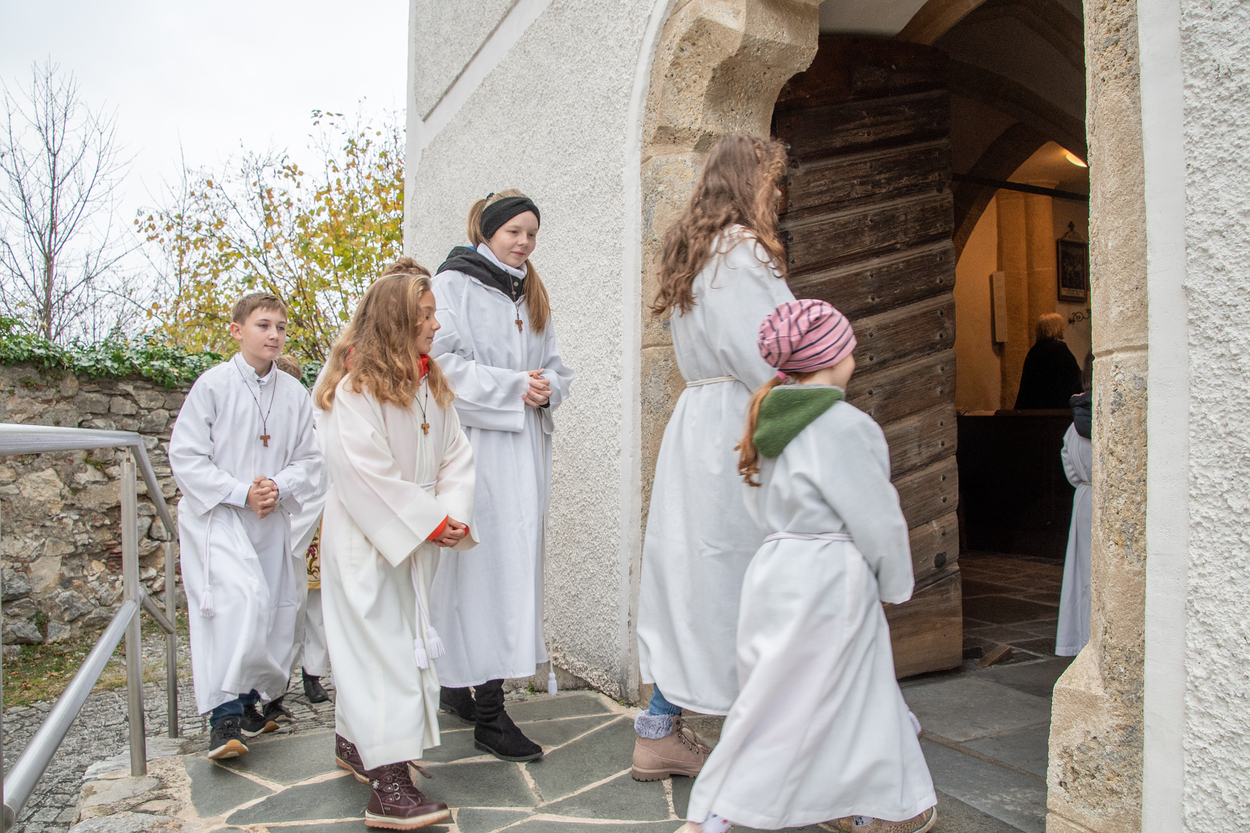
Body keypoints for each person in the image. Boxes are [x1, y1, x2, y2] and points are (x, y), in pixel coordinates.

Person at [679, 299, 937, 833]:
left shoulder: (765, 420)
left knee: (815, 692)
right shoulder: (845, 425)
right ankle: (718, 815)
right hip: (829, 577)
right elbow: (876, 515)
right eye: (850, 349)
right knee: (808, 701)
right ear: (831, 357)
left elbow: (758, 506)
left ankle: (869, 802)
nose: (855, 358)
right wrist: (894, 580)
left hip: (775, 571)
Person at [634, 134, 796, 781]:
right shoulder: (740, 252)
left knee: (698, 582)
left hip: (700, 428)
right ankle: (771, 749)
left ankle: (658, 730)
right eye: (773, 182)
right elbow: (770, 354)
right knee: (746, 582)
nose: (779, 196)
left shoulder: (698, 250)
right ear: (750, 183)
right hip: (740, 424)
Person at [315, 261, 477, 829]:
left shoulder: (430, 381)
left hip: (417, 533)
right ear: (395, 321)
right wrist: (429, 519)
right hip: (367, 538)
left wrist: (451, 515)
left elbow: (456, 454)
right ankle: (387, 786)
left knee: (395, 644)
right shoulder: (355, 390)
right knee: (379, 652)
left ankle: (353, 742)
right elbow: (365, 474)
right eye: (425, 315)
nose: (436, 324)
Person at [428, 190, 574, 763]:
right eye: (515, 231)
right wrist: (516, 387)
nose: (524, 242)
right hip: (478, 448)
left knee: (512, 566)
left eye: (532, 233)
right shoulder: (453, 284)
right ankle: (488, 711)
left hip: (526, 450)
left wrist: (546, 387)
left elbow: (556, 365)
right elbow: (442, 365)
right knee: (481, 569)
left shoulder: (530, 289)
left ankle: (461, 686)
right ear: (488, 232)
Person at [169, 293, 324, 760]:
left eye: (281, 326)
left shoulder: (294, 393)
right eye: (263, 325)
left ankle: (252, 702)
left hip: (269, 518)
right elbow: (186, 455)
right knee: (236, 604)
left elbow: (311, 459)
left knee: (274, 610)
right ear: (237, 331)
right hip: (220, 518)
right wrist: (241, 492)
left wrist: (277, 486)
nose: (274, 334)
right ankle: (224, 719)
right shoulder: (213, 386)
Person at [275, 354, 331, 705]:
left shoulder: (313, 425)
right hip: (288, 526)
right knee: (288, 608)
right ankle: (275, 682)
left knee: (317, 606)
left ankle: (313, 673)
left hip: (318, 526)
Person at [1056, 352, 1093, 656]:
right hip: (1102, 496)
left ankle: (1080, 639)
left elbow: (1070, 469)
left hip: (1084, 499)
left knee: (1082, 574)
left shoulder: (1074, 427)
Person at [1013, 313, 1082, 409]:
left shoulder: (1034, 351)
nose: (1062, 329)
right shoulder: (1059, 350)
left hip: (1035, 407)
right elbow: (1074, 377)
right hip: (1057, 407)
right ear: (1056, 328)